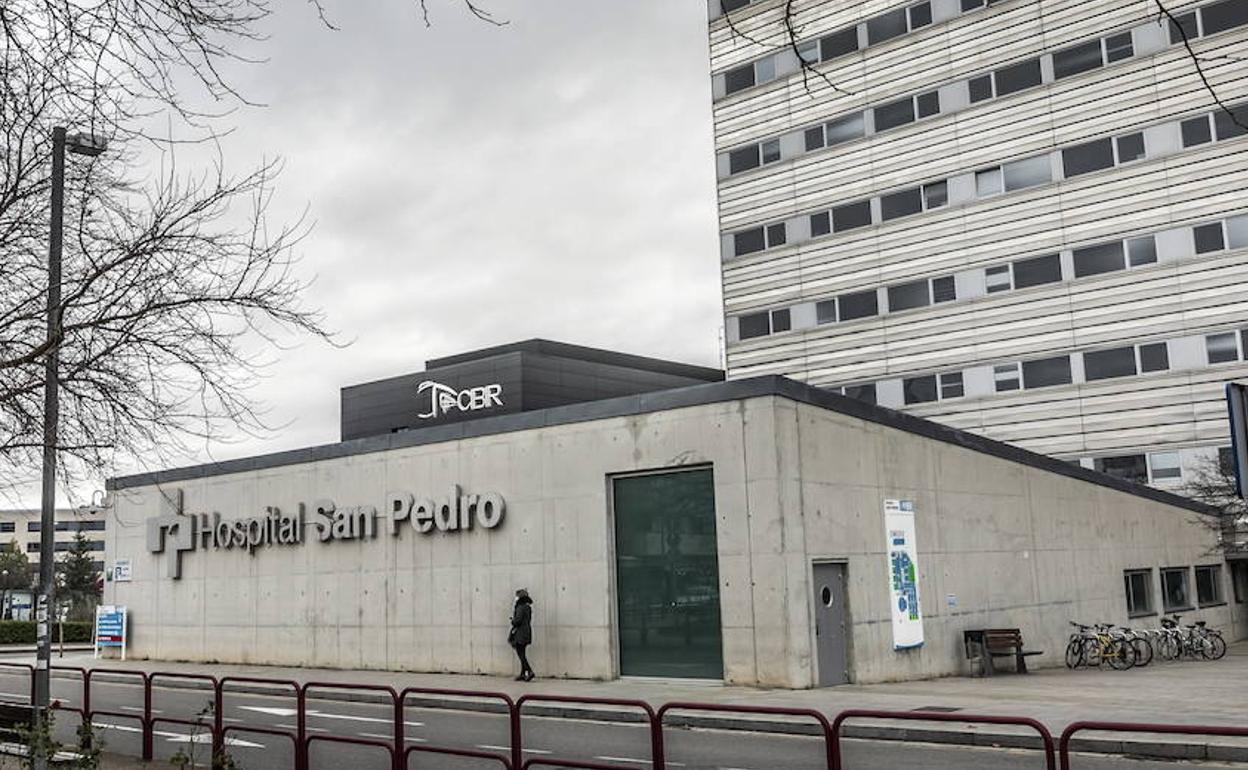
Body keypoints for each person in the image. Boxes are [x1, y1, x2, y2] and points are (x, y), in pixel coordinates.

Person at [508, 588, 535, 681]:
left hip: (520, 633)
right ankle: (523, 674)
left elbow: (518, 621)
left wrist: (513, 621)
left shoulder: (520, 607)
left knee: (521, 654)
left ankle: (530, 671)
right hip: (526, 632)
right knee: (522, 653)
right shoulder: (528, 607)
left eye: (517, 596)